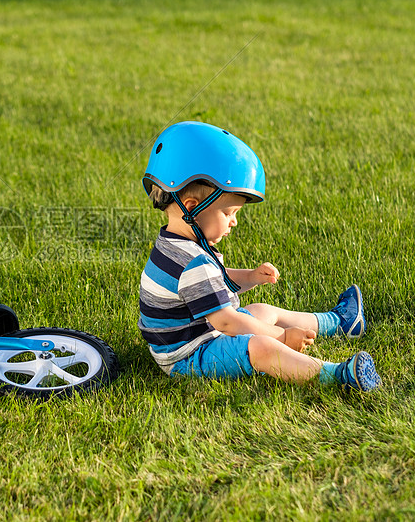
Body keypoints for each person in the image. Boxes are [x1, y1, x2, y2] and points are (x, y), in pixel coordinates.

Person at [138, 121, 381, 391]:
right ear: (193, 208)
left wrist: (251, 277)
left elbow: (215, 282)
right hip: (188, 356)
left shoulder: (176, 244)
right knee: (261, 346)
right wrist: (283, 336)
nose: (234, 222)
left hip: (198, 334)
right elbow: (228, 322)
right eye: (229, 213)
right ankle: (336, 376)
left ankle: (339, 323)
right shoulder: (193, 261)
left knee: (261, 311)